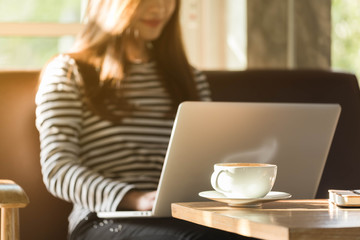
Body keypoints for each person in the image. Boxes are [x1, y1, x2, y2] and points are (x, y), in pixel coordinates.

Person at [36, 0, 253, 239]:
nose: (160, 8)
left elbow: (206, 159)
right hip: (103, 219)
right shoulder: (69, 72)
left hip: (183, 217)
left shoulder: (189, 78)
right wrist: (135, 199)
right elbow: (58, 169)